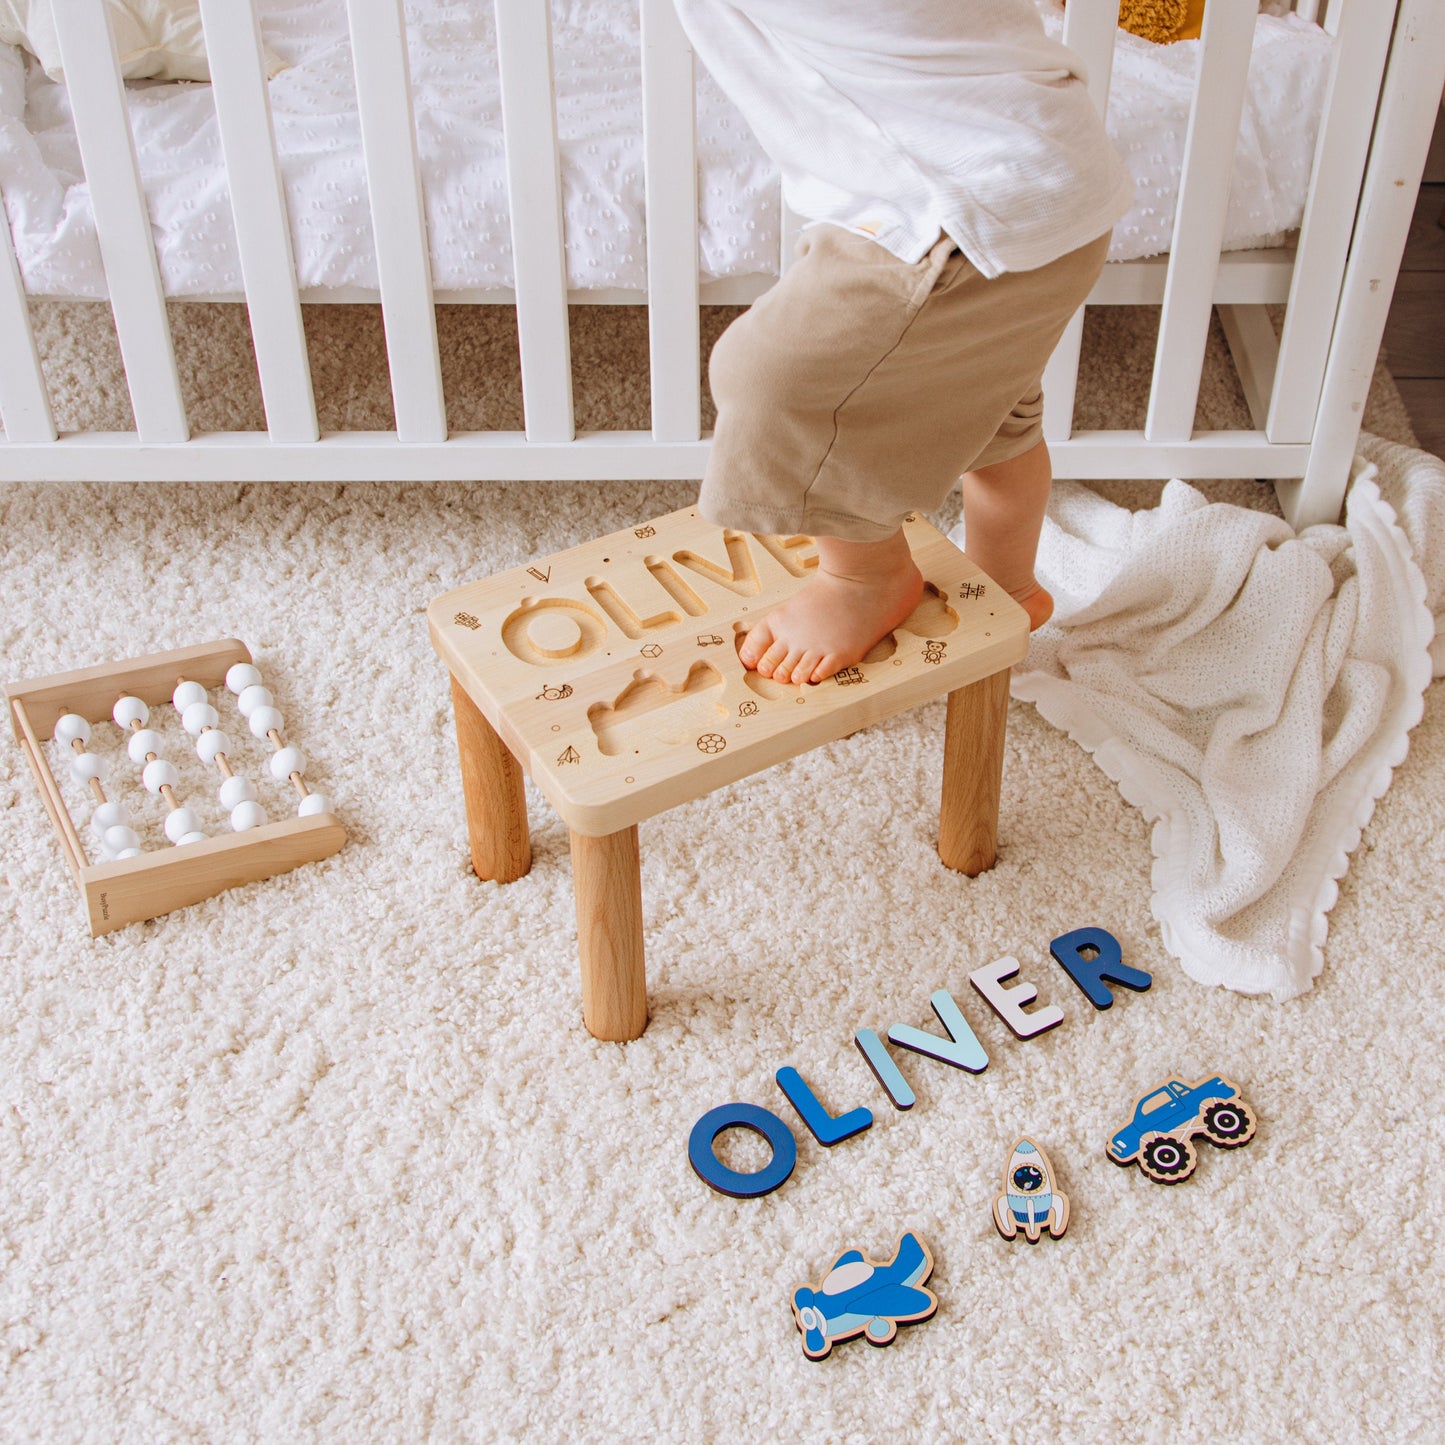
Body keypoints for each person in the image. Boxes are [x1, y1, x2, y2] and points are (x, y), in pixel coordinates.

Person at [670, 0, 1134, 684]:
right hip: (1050, 182)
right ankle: (1007, 585)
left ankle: (865, 578)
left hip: (954, 210)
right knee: (994, 413)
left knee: (771, 377)